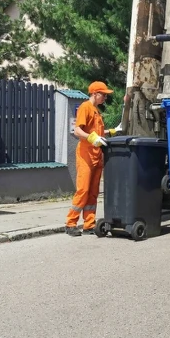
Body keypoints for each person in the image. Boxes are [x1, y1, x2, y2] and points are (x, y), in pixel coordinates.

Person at [65, 81, 113, 237]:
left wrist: (111, 131)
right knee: (83, 190)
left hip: (96, 155)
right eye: (103, 94)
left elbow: (96, 133)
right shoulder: (86, 107)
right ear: (95, 94)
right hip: (86, 154)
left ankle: (89, 225)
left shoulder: (96, 111)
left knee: (93, 192)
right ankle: (71, 223)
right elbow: (78, 131)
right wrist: (92, 138)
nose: (105, 97)